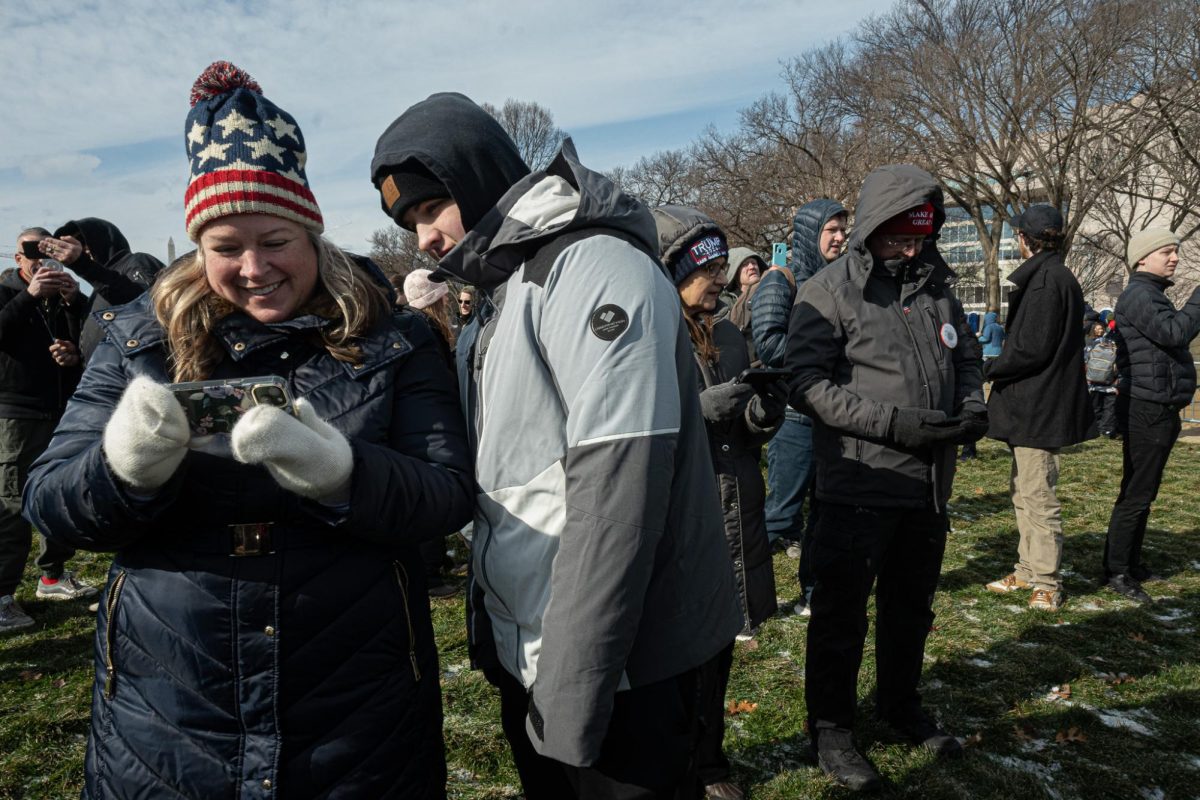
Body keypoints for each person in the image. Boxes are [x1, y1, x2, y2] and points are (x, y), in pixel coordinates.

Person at [23, 62, 473, 797]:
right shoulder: (139, 339)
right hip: (167, 711)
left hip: (354, 710)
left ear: (312, 231)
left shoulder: (394, 338)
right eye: (226, 247)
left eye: (276, 240)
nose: (255, 268)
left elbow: (447, 494)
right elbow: (49, 500)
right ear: (198, 247)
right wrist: (122, 469)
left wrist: (342, 473)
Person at [371, 92, 741, 799]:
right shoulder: (505, 292)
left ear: (476, 175)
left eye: (428, 208)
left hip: (622, 665)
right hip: (539, 652)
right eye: (409, 220)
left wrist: (573, 689)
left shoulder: (593, 268)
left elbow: (617, 499)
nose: (422, 236)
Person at [786, 166, 985, 791]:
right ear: (871, 231)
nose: (909, 250)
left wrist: (974, 404)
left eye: (919, 238)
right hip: (859, 485)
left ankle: (899, 704)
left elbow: (967, 355)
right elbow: (807, 384)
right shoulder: (826, 291)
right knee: (841, 616)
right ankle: (833, 728)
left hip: (926, 488)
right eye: (897, 239)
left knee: (910, 609)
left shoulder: (937, 286)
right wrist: (892, 425)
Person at [654, 206, 783, 800]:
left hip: (737, 502)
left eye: (720, 274)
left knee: (721, 642)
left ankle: (710, 761)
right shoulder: (648, 330)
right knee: (678, 647)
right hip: (684, 512)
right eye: (707, 275)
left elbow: (745, 424)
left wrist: (761, 413)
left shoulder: (732, 333)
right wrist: (702, 412)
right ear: (674, 272)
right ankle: (675, 763)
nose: (720, 286)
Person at [983, 204, 1092, 611]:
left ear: (1024, 239)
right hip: (1031, 407)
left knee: (1038, 494)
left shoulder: (1048, 280)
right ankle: (1027, 569)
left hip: (1041, 406)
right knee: (1023, 490)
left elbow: (1031, 349)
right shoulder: (1050, 275)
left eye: (1016, 236)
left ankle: (1046, 581)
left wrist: (988, 366)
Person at [752, 200, 848, 616]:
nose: (841, 237)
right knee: (779, 515)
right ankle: (749, 601)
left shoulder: (842, 282)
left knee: (824, 517)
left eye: (844, 229)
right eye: (832, 230)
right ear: (811, 233)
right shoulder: (781, 281)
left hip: (832, 415)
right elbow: (767, 344)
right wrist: (819, 352)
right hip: (794, 416)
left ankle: (813, 593)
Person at [0, 227, 95, 633]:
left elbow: (91, 336)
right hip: (17, 413)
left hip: (60, 409)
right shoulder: (8, 292)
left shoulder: (62, 295)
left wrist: (73, 331)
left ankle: (52, 576)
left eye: (48, 248)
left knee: (59, 493)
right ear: (17, 257)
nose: (40, 257)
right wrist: (30, 296)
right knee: (13, 503)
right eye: (30, 250)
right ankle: (2, 597)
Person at [1103, 229, 1200, 604]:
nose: (1174, 257)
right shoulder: (1141, 294)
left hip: (1159, 405)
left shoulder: (1151, 294)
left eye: (1175, 251)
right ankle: (1117, 570)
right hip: (1148, 408)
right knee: (1137, 492)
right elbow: (1175, 332)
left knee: (1144, 490)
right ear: (1142, 259)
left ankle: (1129, 562)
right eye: (1166, 251)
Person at [403, 267, 461, 599]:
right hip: (429, 427)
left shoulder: (421, 328)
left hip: (430, 422)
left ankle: (435, 563)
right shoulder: (424, 330)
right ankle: (429, 575)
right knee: (430, 495)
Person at [44, 217, 164, 364]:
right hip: (110, 378)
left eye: (83, 241)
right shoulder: (98, 285)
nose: (81, 249)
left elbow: (145, 304)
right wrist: (77, 353)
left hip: (138, 374)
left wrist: (82, 265)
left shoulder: (135, 262)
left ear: (102, 238)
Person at [1085, 320, 1119, 438]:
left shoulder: (1090, 344)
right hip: (1110, 383)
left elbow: (1085, 360)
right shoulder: (1113, 343)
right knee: (1109, 408)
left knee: (1095, 406)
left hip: (1093, 382)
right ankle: (1107, 430)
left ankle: (1095, 427)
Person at [721, 247, 764, 335]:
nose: (752, 267)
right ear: (735, 271)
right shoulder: (724, 302)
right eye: (745, 264)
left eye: (754, 262)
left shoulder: (769, 292)